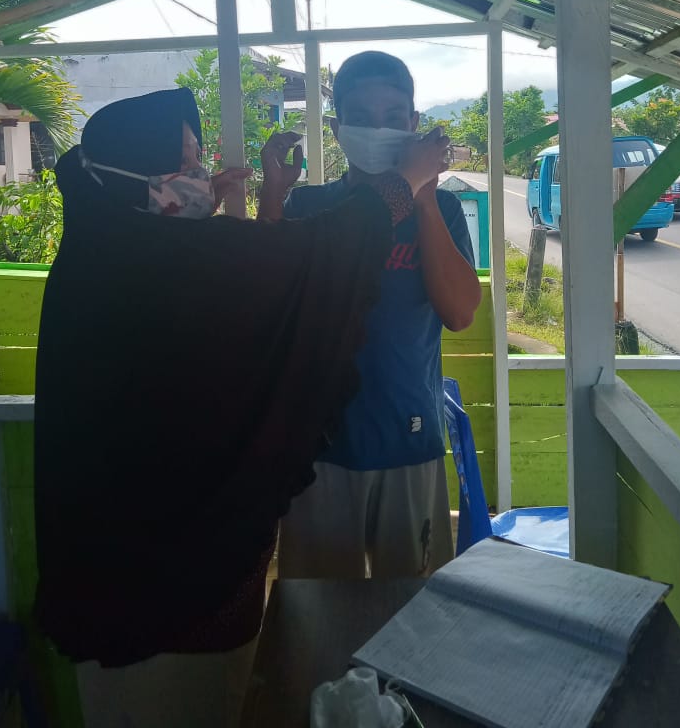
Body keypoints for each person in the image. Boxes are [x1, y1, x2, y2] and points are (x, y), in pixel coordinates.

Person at [33, 86, 448, 728]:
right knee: (162, 708)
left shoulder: (117, 244)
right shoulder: (140, 262)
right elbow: (305, 259)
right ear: (133, 176)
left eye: (198, 162)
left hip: (173, 559)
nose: (200, 176)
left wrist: (228, 209)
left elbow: (250, 282)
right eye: (184, 166)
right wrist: (404, 184)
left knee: (216, 702)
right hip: (153, 578)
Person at [259, 52, 482, 580]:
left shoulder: (445, 212)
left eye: (392, 116)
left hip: (410, 436)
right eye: (360, 117)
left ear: (414, 125)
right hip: (316, 447)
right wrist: (272, 191)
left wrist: (423, 198)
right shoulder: (309, 206)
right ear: (338, 131)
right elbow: (266, 296)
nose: (378, 129)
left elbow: (458, 313)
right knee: (316, 609)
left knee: (414, 607)